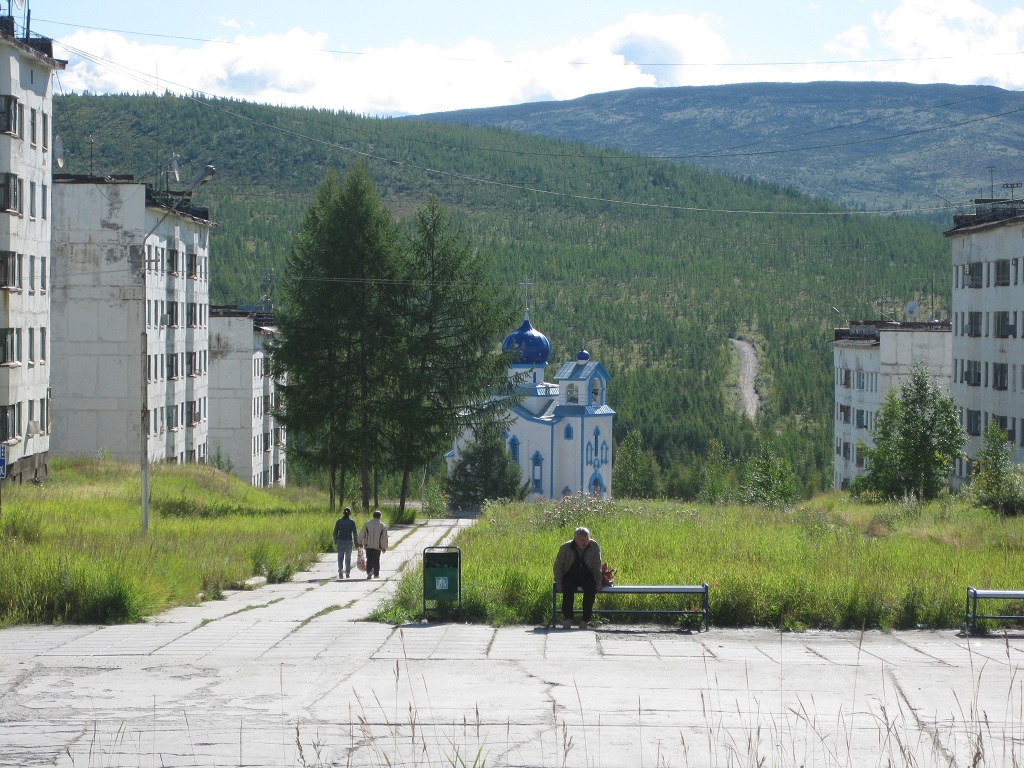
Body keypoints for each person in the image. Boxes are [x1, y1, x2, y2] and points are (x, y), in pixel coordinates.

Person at [553, 526, 603, 629]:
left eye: (587, 539)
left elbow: (597, 565)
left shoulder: (593, 546)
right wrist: (558, 582)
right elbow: (558, 566)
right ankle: (568, 618)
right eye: (583, 540)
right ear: (575, 540)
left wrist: (599, 582)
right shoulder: (565, 548)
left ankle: (585, 620)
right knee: (567, 589)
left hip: (587, 575)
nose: (586, 542)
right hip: (570, 575)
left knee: (590, 589)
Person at [359, 509, 388, 580]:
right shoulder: (382, 525)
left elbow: (362, 533)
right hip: (378, 546)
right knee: (376, 560)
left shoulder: (367, 524)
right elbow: (384, 537)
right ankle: (376, 574)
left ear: (373, 516)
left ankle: (369, 572)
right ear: (380, 516)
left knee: (369, 559)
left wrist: (359, 542)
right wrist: (384, 547)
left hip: (368, 545)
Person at [332, 507, 357, 579]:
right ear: (350, 513)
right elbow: (355, 533)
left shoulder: (339, 521)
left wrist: (335, 540)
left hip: (340, 540)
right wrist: (356, 543)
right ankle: (347, 573)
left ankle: (340, 570)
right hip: (349, 541)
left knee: (340, 557)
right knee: (348, 558)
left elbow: (335, 532)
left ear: (343, 513)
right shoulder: (352, 522)